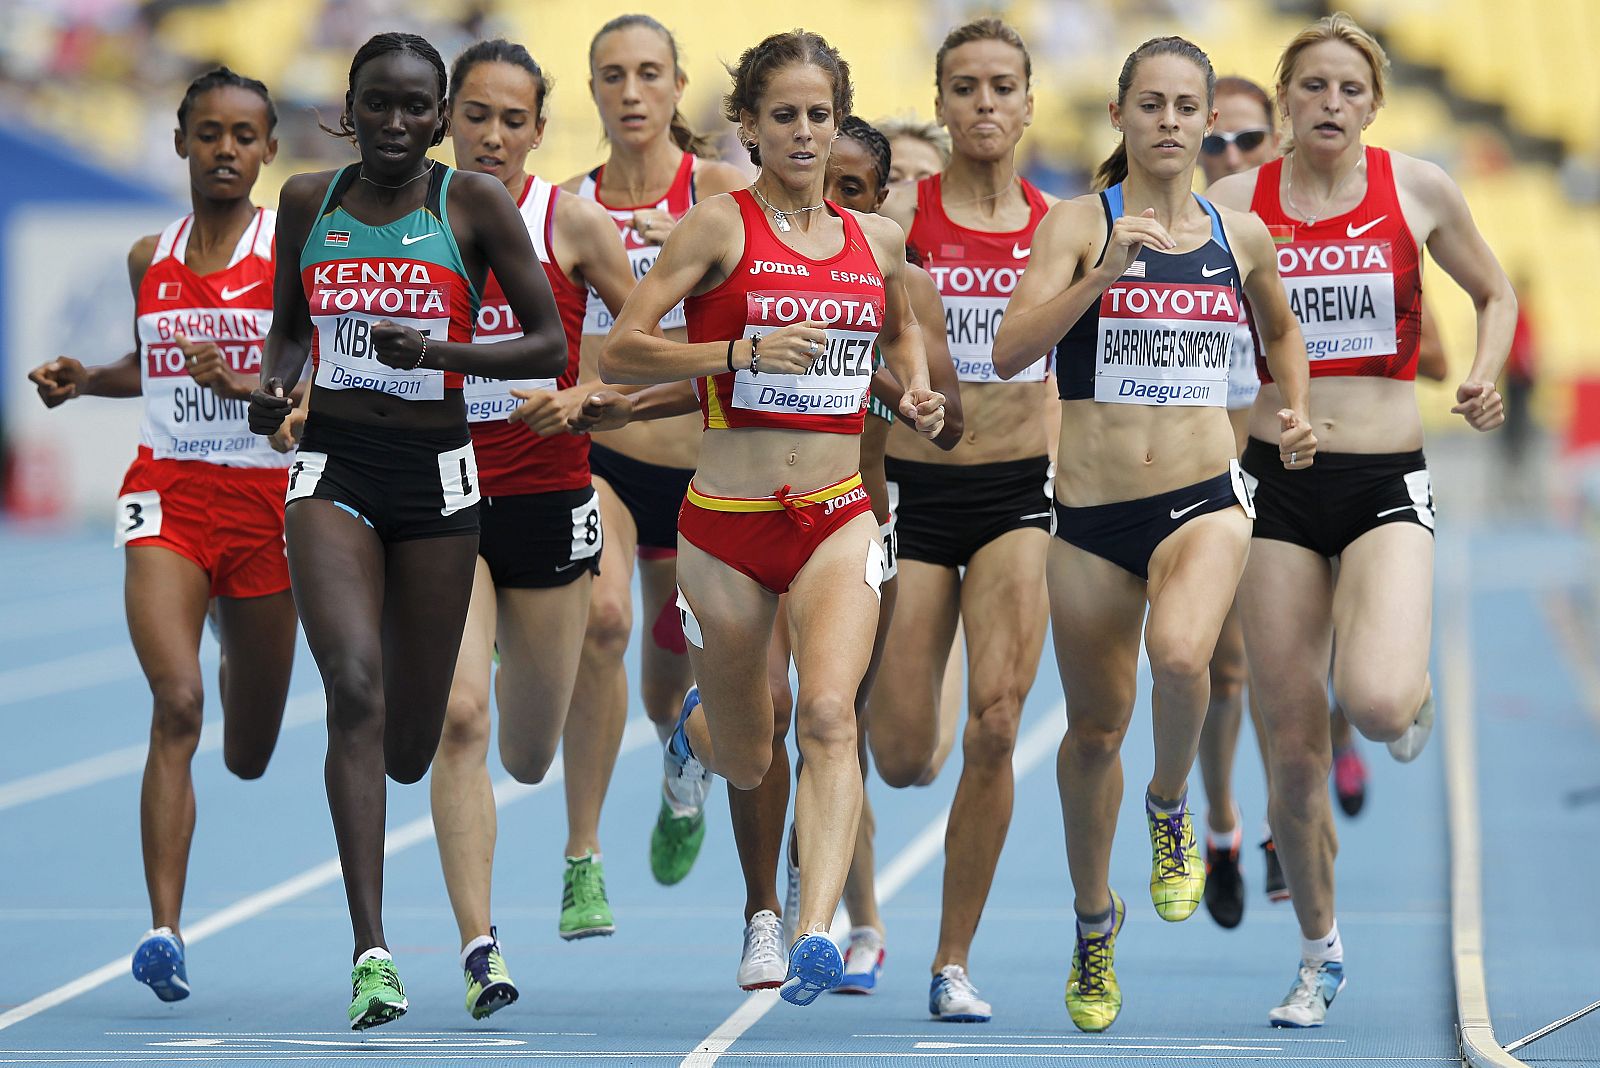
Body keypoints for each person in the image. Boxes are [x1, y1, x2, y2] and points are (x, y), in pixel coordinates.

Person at [601, 28, 944, 1005]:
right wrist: (734, 355)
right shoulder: (715, 227)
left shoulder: (874, 239)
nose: (803, 134)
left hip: (836, 513)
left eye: (819, 116)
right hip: (726, 520)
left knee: (832, 717)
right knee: (751, 754)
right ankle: (688, 744)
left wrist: (910, 394)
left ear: (839, 122)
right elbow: (624, 352)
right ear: (748, 126)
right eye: (784, 116)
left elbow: (900, 333)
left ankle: (813, 930)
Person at [993, 36, 1315, 1033]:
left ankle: (1170, 806)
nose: (1171, 123)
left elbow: (1283, 329)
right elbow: (1009, 349)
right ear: (1122, 118)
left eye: (1187, 108)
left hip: (1199, 498)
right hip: (1087, 515)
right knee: (1092, 732)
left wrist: (1291, 406)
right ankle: (1095, 922)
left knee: (1184, 657)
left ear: (1204, 121)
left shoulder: (1241, 233)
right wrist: (1102, 273)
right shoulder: (1073, 223)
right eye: (1153, 105)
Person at [245, 31, 566, 1029]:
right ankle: (372, 951)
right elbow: (292, 327)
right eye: (374, 104)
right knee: (350, 686)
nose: (392, 124)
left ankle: (407, 744)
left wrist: (439, 348)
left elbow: (547, 344)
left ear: (438, 119)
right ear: (348, 108)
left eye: (412, 108)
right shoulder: (309, 201)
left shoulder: (469, 204)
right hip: (332, 466)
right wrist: (274, 382)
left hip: (438, 478)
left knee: (413, 744)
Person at [1208, 12, 1514, 1027]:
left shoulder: (1416, 187)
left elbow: (1495, 293)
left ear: (1372, 104)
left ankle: (1407, 690)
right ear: (1283, 103)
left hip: (1384, 474)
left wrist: (1478, 376)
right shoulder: (1231, 203)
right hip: (1273, 483)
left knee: (1376, 707)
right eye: (1312, 88)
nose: (1329, 103)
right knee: (1290, 743)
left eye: (1348, 89)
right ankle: (1317, 951)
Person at [26, 67, 299, 1006]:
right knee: (176, 704)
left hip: (267, 504)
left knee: (249, 748)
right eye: (209, 133)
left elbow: (299, 395)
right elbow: (155, 363)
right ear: (181, 142)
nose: (226, 149)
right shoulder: (152, 256)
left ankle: (232, 640)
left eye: (244, 135)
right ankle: (164, 932)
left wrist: (243, 390)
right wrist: (86, 377)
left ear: (268, 151)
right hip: (168, 493)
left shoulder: (290, 256)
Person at [424, 38, 641, 1020]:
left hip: (547, 500)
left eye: (514, 120)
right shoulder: (404, 222)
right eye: (477, 114)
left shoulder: (572, 221)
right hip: (437, 499)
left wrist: (587, 395)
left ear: (539, 134)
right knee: (459, 718)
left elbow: (655, 357)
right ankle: (481, 947)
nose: (494, 136)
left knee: (525, 752)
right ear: (445, 120)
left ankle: (577, 844)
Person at [874, 16, 1057, 1024]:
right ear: (940, 106)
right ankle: (868, 678)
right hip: (912, 492)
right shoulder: (898, 222)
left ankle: (950, 959)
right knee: (904, 758)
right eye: (964, 88)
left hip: (1019, 491)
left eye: (1000, 86)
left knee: (997, 720)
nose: (983, 103)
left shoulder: (1064, 225)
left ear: (1029, 104)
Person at [560, 14, 748, 898]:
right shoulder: (567, 205)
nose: (630, 92)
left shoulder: (719, 191)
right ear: (592, 91)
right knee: (605, 620)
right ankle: (583, 855)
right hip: (606, 459)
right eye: (612, 76)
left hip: (703, 462)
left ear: (678, 89)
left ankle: (681, 770)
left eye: (648, 74)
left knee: (674, 676)